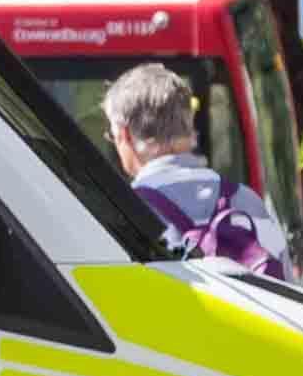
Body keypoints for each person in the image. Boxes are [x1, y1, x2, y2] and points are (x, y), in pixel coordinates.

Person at [105, 62, 292, 272]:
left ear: (125, 135)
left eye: (112, 136)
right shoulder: (246, 201)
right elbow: (288, 290)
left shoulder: (124, 212)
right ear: (188, 124)